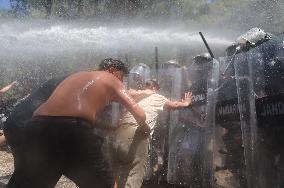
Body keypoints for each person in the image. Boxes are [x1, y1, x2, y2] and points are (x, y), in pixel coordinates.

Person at [6, 58, 150, 188]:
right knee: (105, 184)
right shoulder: (110, 78)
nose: (121, 81)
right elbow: (139, 113)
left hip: (37, 128)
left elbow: (73, 112)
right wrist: (144, 126)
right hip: (72, 132)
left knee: (28, 183)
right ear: (112, 70)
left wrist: (109, 126)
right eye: (121, 77)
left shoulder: (75, 77)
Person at [109, 79, 193, 188]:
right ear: (155, 89)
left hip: (118, 135)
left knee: (117, 177)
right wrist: (186, 103)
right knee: (134, 175)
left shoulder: (135, 97)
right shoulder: (156, 97)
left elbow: (123, 93)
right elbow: (175, 105)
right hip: (137, 134)